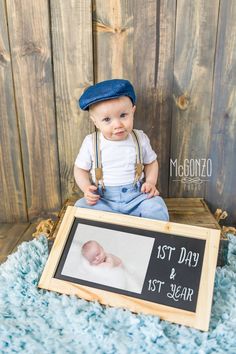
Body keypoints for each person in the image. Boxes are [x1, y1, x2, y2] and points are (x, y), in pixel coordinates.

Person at [74, 79, 169, 221]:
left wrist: (150, 182)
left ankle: (140, 233)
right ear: (95, 122)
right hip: (104, 200)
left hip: (137, 198)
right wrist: (87, 188)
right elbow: (80, 169)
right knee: (80, 207)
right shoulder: (91, 142)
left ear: (133, 111)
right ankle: (115, 226)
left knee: (156, 207)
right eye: (107, 119)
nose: (118, 124)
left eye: (123, 115)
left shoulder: (140, 138)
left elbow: (151, 163)